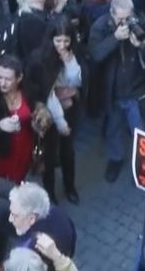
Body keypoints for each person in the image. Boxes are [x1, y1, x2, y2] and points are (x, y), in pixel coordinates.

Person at [89, 0, 145, 182]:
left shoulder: (143, 22)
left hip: (137, 89)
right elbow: (95, 55)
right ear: (111, 14)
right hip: (112, 91)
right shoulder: (100, 26)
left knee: (141, 131)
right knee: (113, 130)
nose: (125, 23)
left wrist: (142, 45)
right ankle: (116, 159)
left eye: (128, 17)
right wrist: (114, 39)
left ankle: (144, 165)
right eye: (120, 19)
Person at [26, 19, 83, 205]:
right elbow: (47, 94)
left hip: (69, 108)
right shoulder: (40, 58)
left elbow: (77, 81)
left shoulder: (74, 53)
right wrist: (60, 123)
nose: (62, 46)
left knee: (68, 152)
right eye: (58, 41)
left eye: (66, 41)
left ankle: (70, 186)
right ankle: (49, 191)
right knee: (49, 155)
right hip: (50, 114)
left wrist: (70, 61)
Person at [0, 55, 39, 184]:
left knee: (18, 180)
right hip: (1, 154)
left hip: (24, 149)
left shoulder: (29, 91)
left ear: (19, 78)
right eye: (0, 77)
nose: (2, 82)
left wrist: (38, 121)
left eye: (8, 79)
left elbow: (36, 110)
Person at [8, 183, 77, 271]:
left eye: (15, 215)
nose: (10, 219)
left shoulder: (26, 251)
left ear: (31, 218)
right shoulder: (60, 215)